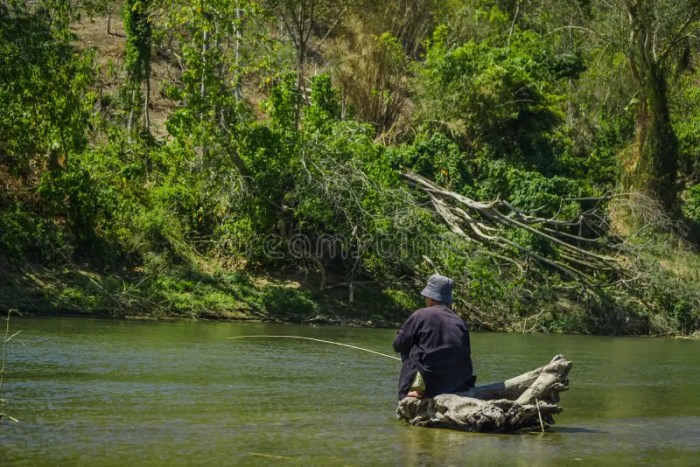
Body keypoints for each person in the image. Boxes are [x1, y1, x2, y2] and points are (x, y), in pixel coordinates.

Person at [392, 274, 474, 400]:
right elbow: (467, 351)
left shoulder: (421, 315)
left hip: (431, 385)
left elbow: (398, 345)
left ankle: (416, 391)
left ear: (431, 298)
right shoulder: (459, 321)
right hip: (460, 383)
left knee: (410, 350)